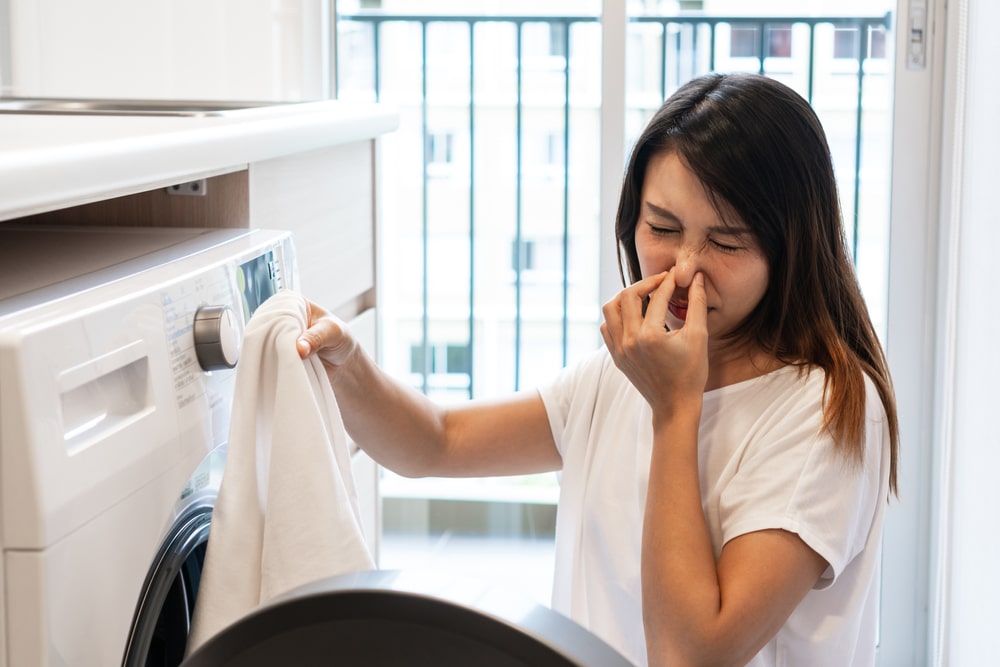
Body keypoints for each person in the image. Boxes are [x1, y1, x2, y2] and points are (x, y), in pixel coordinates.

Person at [295, 72, 899, 666]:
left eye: (728, 242)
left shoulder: (827, 408)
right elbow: (436, 443)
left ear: (791, 246)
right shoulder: (627, 373)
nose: (684, 269)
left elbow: (689, 656)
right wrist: (346, 361)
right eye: (661, 228)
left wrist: (674, 408)